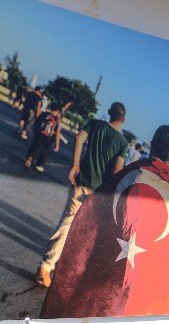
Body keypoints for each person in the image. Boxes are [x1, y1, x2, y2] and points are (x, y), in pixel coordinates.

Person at [40, 125, 169, 318]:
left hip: (102, 297)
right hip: (142, 308)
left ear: (152, 147)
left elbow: (90, 225)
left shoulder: (128, 177)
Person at [36, 101, 128, 287]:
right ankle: (70, 271)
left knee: (66, 223)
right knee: (88, 233)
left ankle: (46, 266)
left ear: (109, 113)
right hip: (99, 194)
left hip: (81, 183)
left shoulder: (95, 124)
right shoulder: (122, 143)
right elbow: (117, 171)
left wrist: (75, 165)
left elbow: (78, 138)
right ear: (123, 119)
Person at [24, 100, 71, 173]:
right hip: (49, 138)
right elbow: (57, 132)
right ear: (58, 111)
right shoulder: (57, 121)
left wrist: (36, 130)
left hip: (39, 134)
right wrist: (57, 145)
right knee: (45, 151)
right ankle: (39, 164)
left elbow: (36, 122)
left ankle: (30, 158)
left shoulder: (44, 114)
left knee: (34, 147)